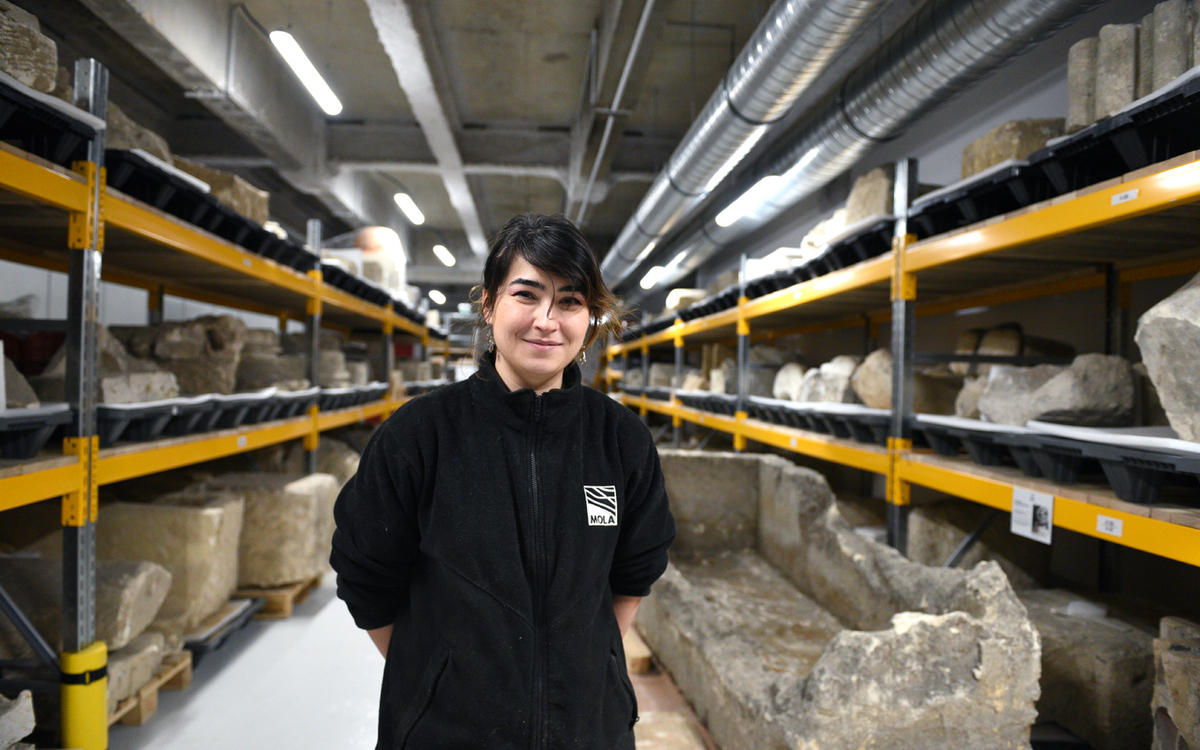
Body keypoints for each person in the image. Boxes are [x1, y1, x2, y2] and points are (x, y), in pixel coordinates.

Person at [330, 212, 676, 750]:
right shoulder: (420, 435)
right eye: (527, 295)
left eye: (569, 302)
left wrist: (586, 666)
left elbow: (635, 570)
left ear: (589, 318)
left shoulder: (620, 441)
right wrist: (437, 680)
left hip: (587, 731)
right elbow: (364, 575)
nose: (547, 320)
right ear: (489, 305)